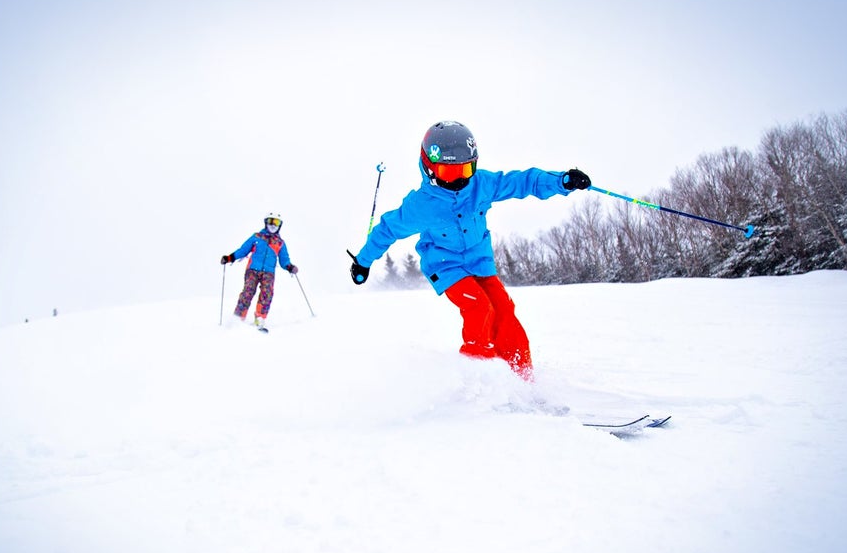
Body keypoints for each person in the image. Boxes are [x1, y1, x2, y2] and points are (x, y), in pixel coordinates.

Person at [347, 120, 591, 381]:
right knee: (479, 308)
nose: (459, 180)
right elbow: (387, 229)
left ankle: (521, 377)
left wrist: (561, 181)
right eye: (449, 173)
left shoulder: (480, 185)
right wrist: (362, 261)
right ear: (430, 168)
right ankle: (478, 378)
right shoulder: (421, 205)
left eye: (465, 170)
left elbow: (522, 182)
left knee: (503, 309)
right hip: (445, 265)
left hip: (479, 260)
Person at [221, 212, 299, 331]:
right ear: (265, 223)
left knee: (267, 293)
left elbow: (284, 260)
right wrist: (229, 258)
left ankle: (260, 318)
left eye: (276, 222)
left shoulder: (280, 243)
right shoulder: (257, 237)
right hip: (253, 269)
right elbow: (243, 250)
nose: (273, 225)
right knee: (248, 291)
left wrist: (290, 267)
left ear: (280, 226)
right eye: (270, 221)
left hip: (268, 273)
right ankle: (238, 318)